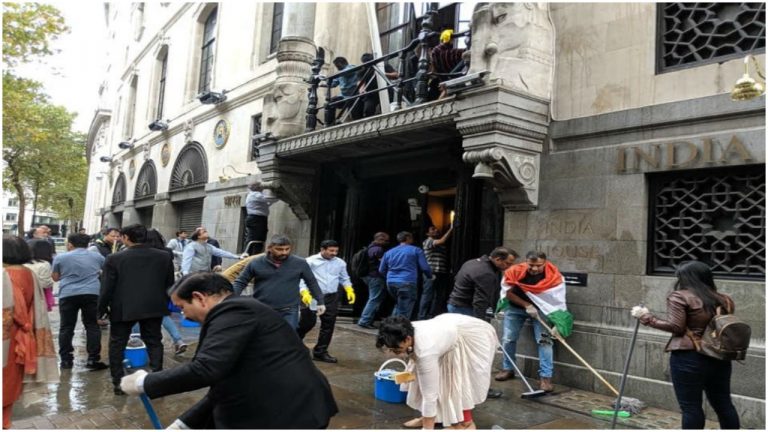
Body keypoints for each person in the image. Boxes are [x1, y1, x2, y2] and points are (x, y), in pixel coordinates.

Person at [119, 272, 339, 429]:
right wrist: (184, 424)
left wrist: (144, 382)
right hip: (282, 407)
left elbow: (205, 369)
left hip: (290, 413)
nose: (184, 315)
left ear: (199, 298)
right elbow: (223, 384)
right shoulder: (236, 312)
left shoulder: (235, 311)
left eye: (182, 307)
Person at [632, 261, 740, 429]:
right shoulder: (724, 299)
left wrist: (646, 317)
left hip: (689, 357)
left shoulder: (680, 296)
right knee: (724, 404)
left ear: (685, 278)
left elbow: (676, 327)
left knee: (691, 407)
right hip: (719, 356)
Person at [376, 314, 497, 429]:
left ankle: (466, 423)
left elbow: (429, 395)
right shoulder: (402, 330)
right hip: (445, 328)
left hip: (470, 335)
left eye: (396, 349)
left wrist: (427, 429)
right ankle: (431, 418)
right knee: (426, 381)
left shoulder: (425, 350)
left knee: (457, 380)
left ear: (408, 339)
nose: (394, 353)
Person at [97, 224, 175, 395]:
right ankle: (156, 380)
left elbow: (106, 288)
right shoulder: (163, 256)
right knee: (154, 341)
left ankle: (119, 384)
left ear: (125, 238)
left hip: (123, 307)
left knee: (117, 344)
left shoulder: (114, 258)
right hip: (154, 305)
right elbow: (170, 283)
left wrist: (100, 309)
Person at [2, 236, 58, 428]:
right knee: (10, 381)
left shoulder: (5, 274)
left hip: (7, 337)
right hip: (22, 337)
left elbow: (13, 310)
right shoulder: (28, 273)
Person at [497, 251, 566, 391]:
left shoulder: (554, 276)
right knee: (508, 339)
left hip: (542, 310)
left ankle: (546, 378)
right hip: (515, 308)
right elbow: (508, 293)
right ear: (526, 262)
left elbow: (558, 301)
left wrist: (557, 323)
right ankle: (508, 368)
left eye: (538, 265)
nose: (534, 268)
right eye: (531, 265)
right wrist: (527, 305)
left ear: (545, 263)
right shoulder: (515, 271)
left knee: (544, 341)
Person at [232, 234, 324, 329]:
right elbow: (240, 282)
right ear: (269, 248)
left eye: (287, 249)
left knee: (287, 336)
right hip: (262, 308)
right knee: (263, 336)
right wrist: (231, 300)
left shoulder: (300, 263)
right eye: (279, 249)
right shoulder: (256, 263)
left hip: (289, 310)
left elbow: (311, 282)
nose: (284, 252)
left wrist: (320, 301)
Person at [51, 233, 108, 370]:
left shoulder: (61, 257)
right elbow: (106, 272)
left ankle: (66, 360)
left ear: (70, 244)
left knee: (66, 327)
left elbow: (55, 278)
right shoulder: (97, 257)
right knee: (92, 325)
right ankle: (93, 359)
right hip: (91, 293)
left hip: (68, 294)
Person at [297, 240, 355, 363]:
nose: (334, 253)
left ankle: (320, 352)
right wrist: (304, 292)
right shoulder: (310, 261)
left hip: (331, 297)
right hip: (312, 297)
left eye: (336, 251)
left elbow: (344, 278)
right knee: (308, 323)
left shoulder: (340, 263)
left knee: (328, 325)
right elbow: (301, 278)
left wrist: (349, 289)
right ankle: (294, 343)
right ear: (322, 249)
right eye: (331, 250)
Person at [140, 229, 188, 355]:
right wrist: (169, 293)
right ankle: (178, 340)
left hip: (142, 290)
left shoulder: (140, 252)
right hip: (160, 290)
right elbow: (170, 276)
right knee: (163, 316)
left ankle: (138, 343)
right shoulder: (166, 253)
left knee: (138, 317)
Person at [379, 231, 432, 319]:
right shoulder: (416, 250)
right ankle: (400, 326)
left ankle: (392, 325)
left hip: (391, 283)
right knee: (405, 310)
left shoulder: (389, 252)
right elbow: (425, 268)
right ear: (407, 238)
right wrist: (430, 276)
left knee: (399, 304)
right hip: (407, 282)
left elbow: (381, 270)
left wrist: (389, 277)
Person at [418, 224, 454, 319]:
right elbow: (442, 240)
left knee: (438, 296)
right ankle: (422, 316)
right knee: (428, 295)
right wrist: (451, 229)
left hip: (441, 272)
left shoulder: (440, 245)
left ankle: (432, 315)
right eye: (432, 229)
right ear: (427, 233)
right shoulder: (428, 241)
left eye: (436, 229)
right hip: (431, 272)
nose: (436, 230)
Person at [357, 232, 390, 329]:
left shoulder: (370, 248)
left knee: (374, 298)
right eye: (386, 241)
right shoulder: (378, 249)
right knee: (374, 299)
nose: (387, 243)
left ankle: (368, 320)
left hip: (369, 276)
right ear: (380, 239)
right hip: (375, 276)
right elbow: (383, 264)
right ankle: (365, 320)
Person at [356, 53, 399, 119]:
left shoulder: (383, 65)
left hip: (385, 90)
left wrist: (383, 73)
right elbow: (360, 82)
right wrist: (361, 90)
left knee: (387, 109)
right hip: (371, 93)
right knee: (368, 110)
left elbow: (396, 75)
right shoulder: (362, 70)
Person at [244, 183, 279, 255]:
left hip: (257, 218)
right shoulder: (256, 194)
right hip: (257, 219)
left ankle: (254, 254)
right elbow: (269, 199)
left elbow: (266, 204)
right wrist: (278, 196)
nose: (263, 189)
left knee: (258, 238)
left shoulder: (253, 195)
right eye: (262, 187)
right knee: (255, 238)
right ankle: (249, 254)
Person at [432, 29, 466, 99]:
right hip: (451, 81)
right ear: (451, 40)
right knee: (466, 56)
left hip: (445, 81)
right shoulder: (445, 52)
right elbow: (462, 52)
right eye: (452, 39)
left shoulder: (436, 52)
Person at [25, 239, 55, 311]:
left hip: (24, 294)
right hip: (38, 297)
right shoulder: (44, 264)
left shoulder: (22, 263)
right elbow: (46, 284)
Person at [328, 56, 359, 121]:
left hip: (354, 95)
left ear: (343, 63)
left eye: (337, 65)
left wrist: (334, 75)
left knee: (355, 114)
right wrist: (323, 84)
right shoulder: (340, 72)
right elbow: (334, 84)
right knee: (331, 103)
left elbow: (346, 72)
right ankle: (330, 122)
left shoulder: (351, 67)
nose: (337, 67)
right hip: (343, 96)